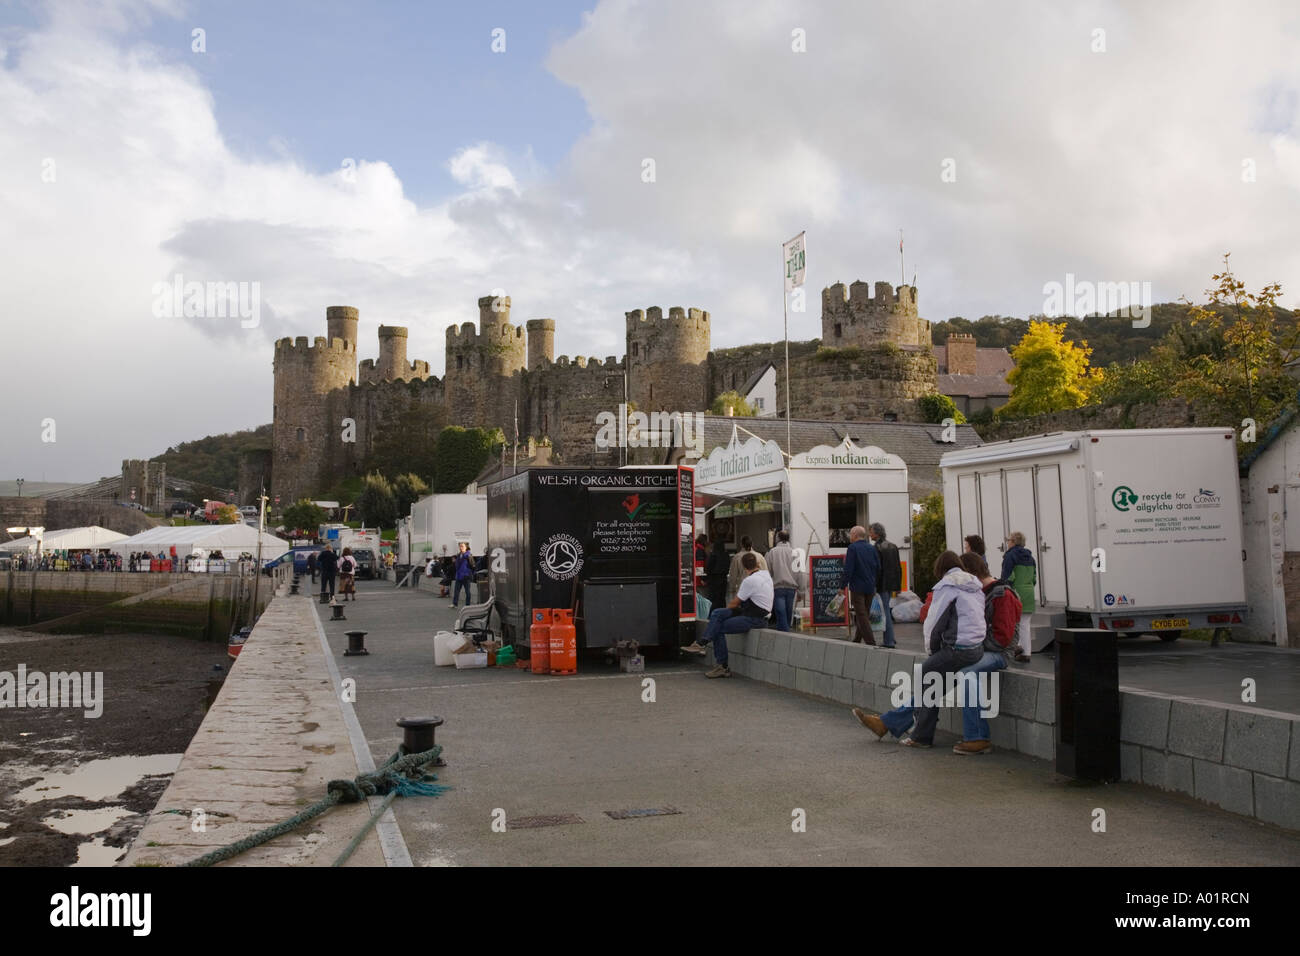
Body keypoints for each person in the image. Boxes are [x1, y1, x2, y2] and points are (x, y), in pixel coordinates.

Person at [851, 551, 986, 747]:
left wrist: (931, 652)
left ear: (940, 569)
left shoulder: (947, 586)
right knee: (934, 684)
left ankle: (920, 736)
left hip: (958, 648)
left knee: (927, 675)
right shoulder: (974, 585)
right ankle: (888, 724)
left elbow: (933, 622)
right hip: (977, 649)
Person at [952, 552, 1021, 755]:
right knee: (937, 667)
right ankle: (891, 721)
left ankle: (977, 737)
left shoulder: (1002, 594)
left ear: (972, 573)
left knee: (966, 673)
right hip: (983, 649)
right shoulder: (982, 592)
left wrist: (972, 648)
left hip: (999, 654)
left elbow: (1003, 639)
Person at [682, 552, 773, 678]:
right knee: (717, 613)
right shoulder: (766, 575)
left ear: (743, 567)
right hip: (756, 613)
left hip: (755, 618)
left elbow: (735, 603)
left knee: (718, 627)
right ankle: (701, 643)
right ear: (757, 564)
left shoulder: (750, 581)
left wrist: (725, 614)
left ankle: (722, 666)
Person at [1001, 532, 1037, 663]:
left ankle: (1017, 647)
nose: (1007, 543)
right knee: (1025, 623)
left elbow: (1008, 577)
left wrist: (1005, 589)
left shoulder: (1010, 556)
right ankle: (1025, 652)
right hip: (1029, 592)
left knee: (1013, 623)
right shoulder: (1031, 558)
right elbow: (1034, 578)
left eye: (1009, 540)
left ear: (1014, 542)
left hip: (1016, 592)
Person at [840, 526, 880, 645]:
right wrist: (874, 582)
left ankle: (871, 642)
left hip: (857, 587)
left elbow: (849, 569)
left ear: (855, 535)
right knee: (864, 613)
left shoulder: (852, 548)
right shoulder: (871, 548)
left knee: (862, 615)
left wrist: (842, 586)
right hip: (870, 586)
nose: (850, 537)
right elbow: (878, 567)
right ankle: (857, 639)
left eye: (851, 534)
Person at [869, 522, 901, 648]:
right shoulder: (893, 546)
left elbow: (876, 569)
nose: (869, 534)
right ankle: (891, 637)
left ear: (876, 534)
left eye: (871, 531)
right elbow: (898, 567)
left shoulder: (876, 548)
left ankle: (889, 641)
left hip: (881, 583)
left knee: (885, 612)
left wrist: (874, 585)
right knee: (887, 609)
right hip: (891, 583)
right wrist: (898, 586)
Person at [765, 530, 798, 632]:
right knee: (788, 613)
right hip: (792, 588)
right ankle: (786, 633)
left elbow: (767, 571)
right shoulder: (795, 552)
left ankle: (784, 634)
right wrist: (801, 591)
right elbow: (800, 573)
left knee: (781, 613)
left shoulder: (772, 552)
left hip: (778, 587)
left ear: (778, 539)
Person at [726, 535, 767, 602]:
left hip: (742, 591)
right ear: (752, 544)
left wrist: (732, 589)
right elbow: (765, 573)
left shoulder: (737, 557)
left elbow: (733, 575)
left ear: (741, 544)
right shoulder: (759, 556)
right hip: (757, 590)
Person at [705, 538, 729, 611]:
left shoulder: (713, 555)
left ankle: (712, 615)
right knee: (721, 598)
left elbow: (708, 568)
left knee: (713, 599)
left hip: (713, 580)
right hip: (723, 579)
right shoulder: (726, 555)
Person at [450, 541, 474, 609]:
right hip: (459, 576)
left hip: (466, 576)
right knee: (456, 591)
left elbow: (473, 565)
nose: (461, 548)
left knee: (467, 592)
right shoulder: (459, 555)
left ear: (466, 547)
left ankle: (467, 605)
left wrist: (469, 572)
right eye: (460, 546)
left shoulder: (468, 555)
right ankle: (455, 604)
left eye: (462, 546)